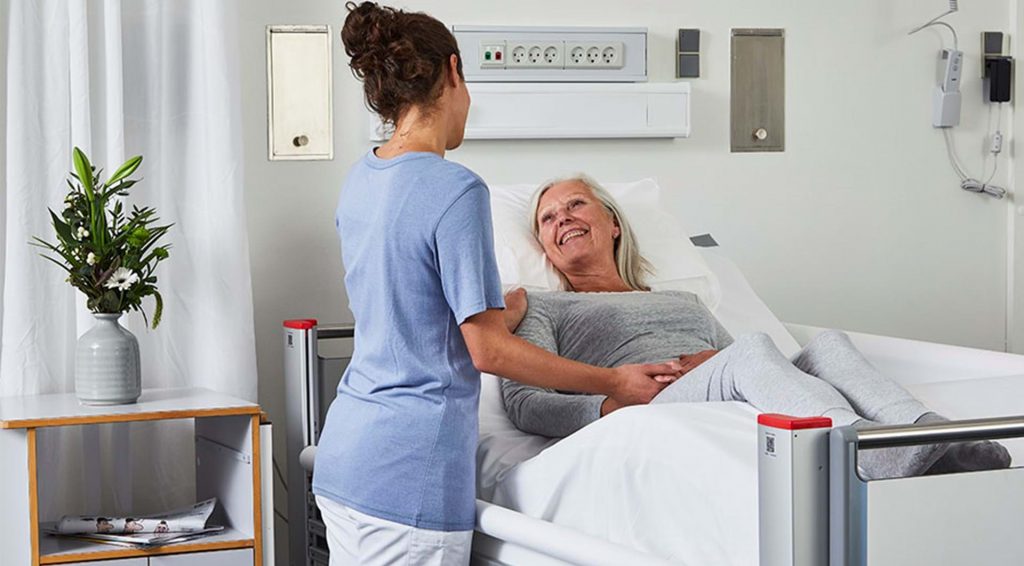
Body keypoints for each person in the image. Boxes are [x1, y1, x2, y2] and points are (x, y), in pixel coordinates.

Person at [312, 5, 682, 566]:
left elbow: (402, 315)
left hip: (346, 461)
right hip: (410, 475)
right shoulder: (454, 189)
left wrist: (497, 313)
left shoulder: (361, 179)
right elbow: (487, 352)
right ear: (453, 72)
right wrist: (614, 381)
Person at [499, 174, 1012, 479]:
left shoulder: (683, 299)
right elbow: (525, 402)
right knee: (749, 353)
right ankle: (859, 447)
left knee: (828, 346)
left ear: (613, 223)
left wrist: (719, 361)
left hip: (717, 381)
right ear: (544, 248)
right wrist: (612, 401)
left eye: (575, 204)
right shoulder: (543, 306)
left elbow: (751, 358)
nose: (562, 218)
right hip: (650, 400)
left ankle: (929, 432)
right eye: (547, 218)